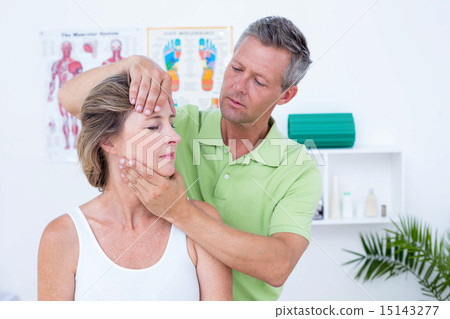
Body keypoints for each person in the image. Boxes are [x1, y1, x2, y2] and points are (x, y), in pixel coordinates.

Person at [59, 16, 322, 300]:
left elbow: (279, 264)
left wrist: (179, 211)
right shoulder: (178, 126)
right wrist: (131, 65)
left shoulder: (298, 169)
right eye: (236, 68)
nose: (239, 86)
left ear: (286, 95)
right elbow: (71, 100)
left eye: (258, 81)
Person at [38, 74, 232, 301]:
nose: (175, 137)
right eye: (153, 126)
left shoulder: (201, 222)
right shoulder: (63, 237)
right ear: (109, 142)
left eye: (171, 123)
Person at [48, 41, 83, 149]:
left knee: (73, 119)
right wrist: (50, 94)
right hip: (62, 95)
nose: (66, 50)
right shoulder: (56, 65)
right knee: (65, 120)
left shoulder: (76, 63)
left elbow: (81, 80)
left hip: (74, 94)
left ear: (71, 49)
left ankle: (75, 143)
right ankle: (67, 143)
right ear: (61, 49)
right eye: (64, 48)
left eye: (68, 48)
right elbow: (53, 80)